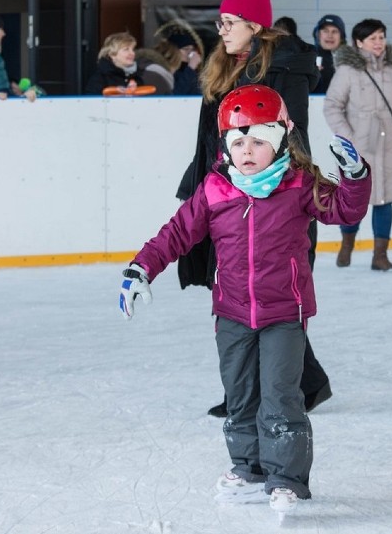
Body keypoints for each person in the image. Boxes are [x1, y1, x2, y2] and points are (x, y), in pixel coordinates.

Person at [119, 84, 371, 514]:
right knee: (240, 397)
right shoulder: (216, 190)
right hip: (232, 312)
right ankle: (249, 469)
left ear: (279, 141)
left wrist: (355, 176)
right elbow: (177, 233)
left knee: (280, 397)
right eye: (239, 142)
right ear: (226, 146)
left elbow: (343, 211)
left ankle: (287, 480)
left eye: (259, 141)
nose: (248, 151)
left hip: (283, 313)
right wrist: (141, 267)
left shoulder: (297, 185)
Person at [173, 0, 330, 418]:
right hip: (228, 191)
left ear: (256, 25)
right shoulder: (225, 65)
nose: (220, 31)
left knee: (272, 292)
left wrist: (283, 192)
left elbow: (288, 138)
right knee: (243, 291)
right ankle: (292, 385)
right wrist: (200, 183)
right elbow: (211, 138)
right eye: (220, 23)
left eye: (229, 22)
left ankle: (262, 393)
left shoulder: (285, 68)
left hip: (273, 198)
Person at [323, 18, 392, 271]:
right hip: (360, 148)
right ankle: (347, 244)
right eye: (373, 38)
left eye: (382, 37)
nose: (379, 43)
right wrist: (350, 139)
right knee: (354, 201)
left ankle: (380, 256)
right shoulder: (347, 70)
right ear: (359, 42)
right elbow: (332, 107)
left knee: (385, 200)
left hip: (390, 147)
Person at [84, 31, 173, 96]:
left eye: (132, 49)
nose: (132, 53)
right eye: (126, 49)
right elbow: (91, 104)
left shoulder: (138, 76)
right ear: (112, 55)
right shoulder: (100, 77)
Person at [154, 21, 203, 95]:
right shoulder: (166, 70)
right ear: (174, 50)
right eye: (186, 49)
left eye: (192, 49)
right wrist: (190, 68)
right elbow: (176, 94)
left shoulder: (189, 69)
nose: (189, 52)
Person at [311, 14, 345, 94]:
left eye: (335, 31)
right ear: (318, 35)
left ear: (341, 37)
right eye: (325, 31)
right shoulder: (307, 59)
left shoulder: (350, 61)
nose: (330, 35)